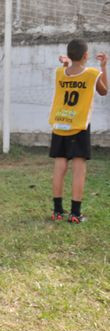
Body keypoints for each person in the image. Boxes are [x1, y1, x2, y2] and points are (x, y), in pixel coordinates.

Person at [48, 39, 107, 223]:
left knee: (60, 166)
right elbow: (104, 91)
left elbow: (69, 74)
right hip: (78, 125)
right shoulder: (91, 73)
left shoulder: (59, 73)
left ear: (69, 55)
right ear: (86, 56)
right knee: (79, 169)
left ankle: (57, 211)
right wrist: (103, 67)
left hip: (60, 123)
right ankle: (75, 213)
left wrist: (67, 64)